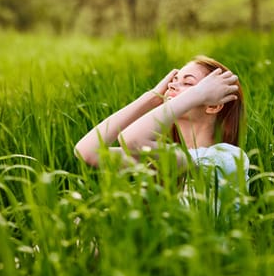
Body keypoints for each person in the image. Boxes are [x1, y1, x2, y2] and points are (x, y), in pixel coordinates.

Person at [74, 55, 249, 200]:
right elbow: (86, 151)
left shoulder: (227, 158)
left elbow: (132, 140)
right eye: (173, 81)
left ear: (213, 105)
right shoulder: (163, 157)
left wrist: (198, 94)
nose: (172, 86)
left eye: (188, 83)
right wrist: (153, 97)